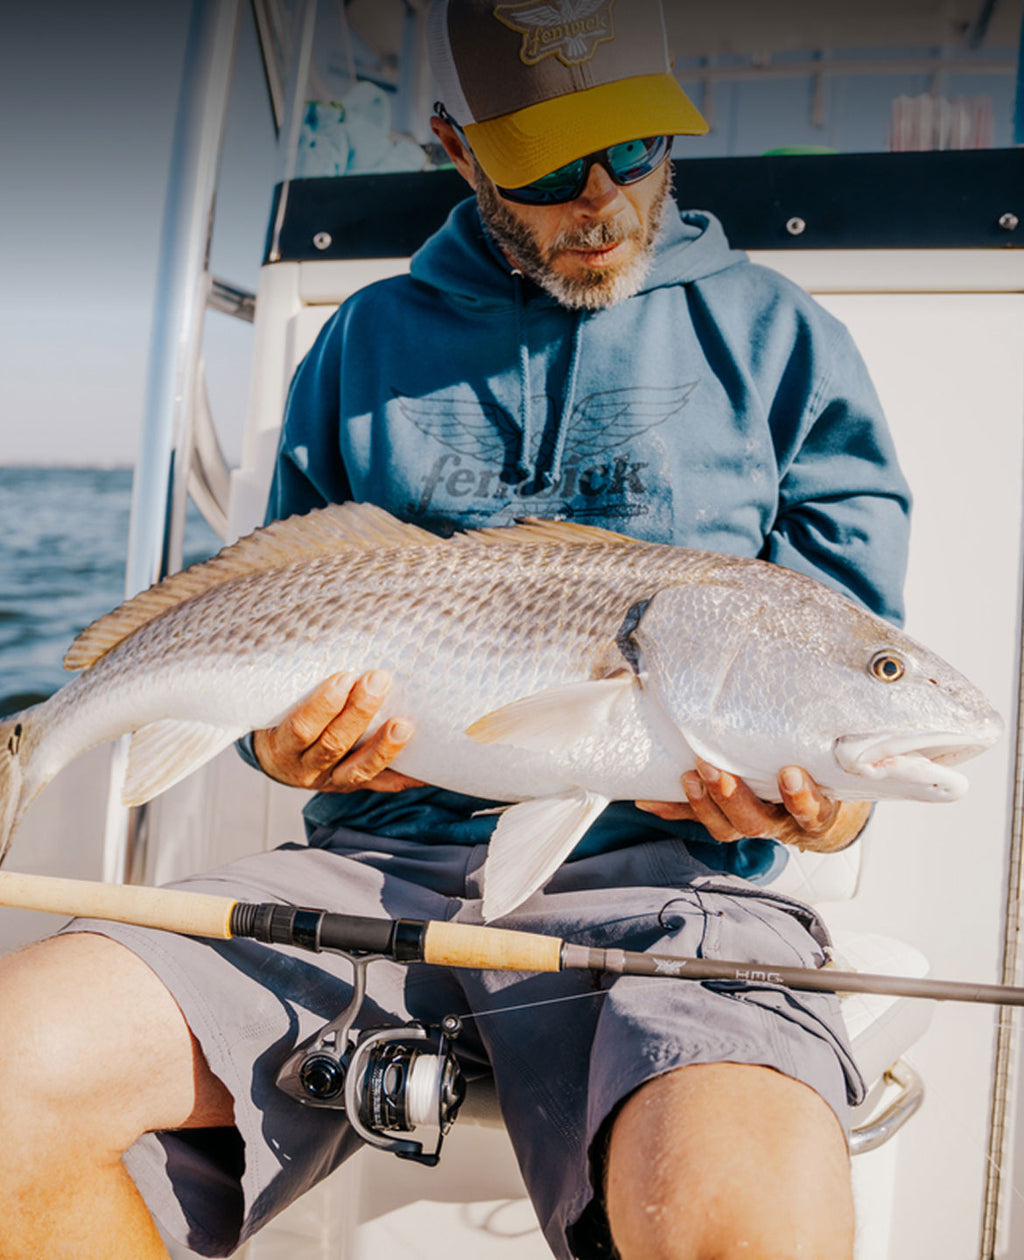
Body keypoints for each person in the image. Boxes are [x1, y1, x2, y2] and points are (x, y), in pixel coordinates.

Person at [0, 2, 911, 1258]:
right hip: (353, 875)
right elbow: (279, 615)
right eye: (545, 166)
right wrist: (289, 753)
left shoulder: (786, 345)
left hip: (671, 895)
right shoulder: (363, 339)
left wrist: (826, 807)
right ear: (458, 147)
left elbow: (863, 700)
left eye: (632, 150)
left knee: (739, 1230)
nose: (599, 203)